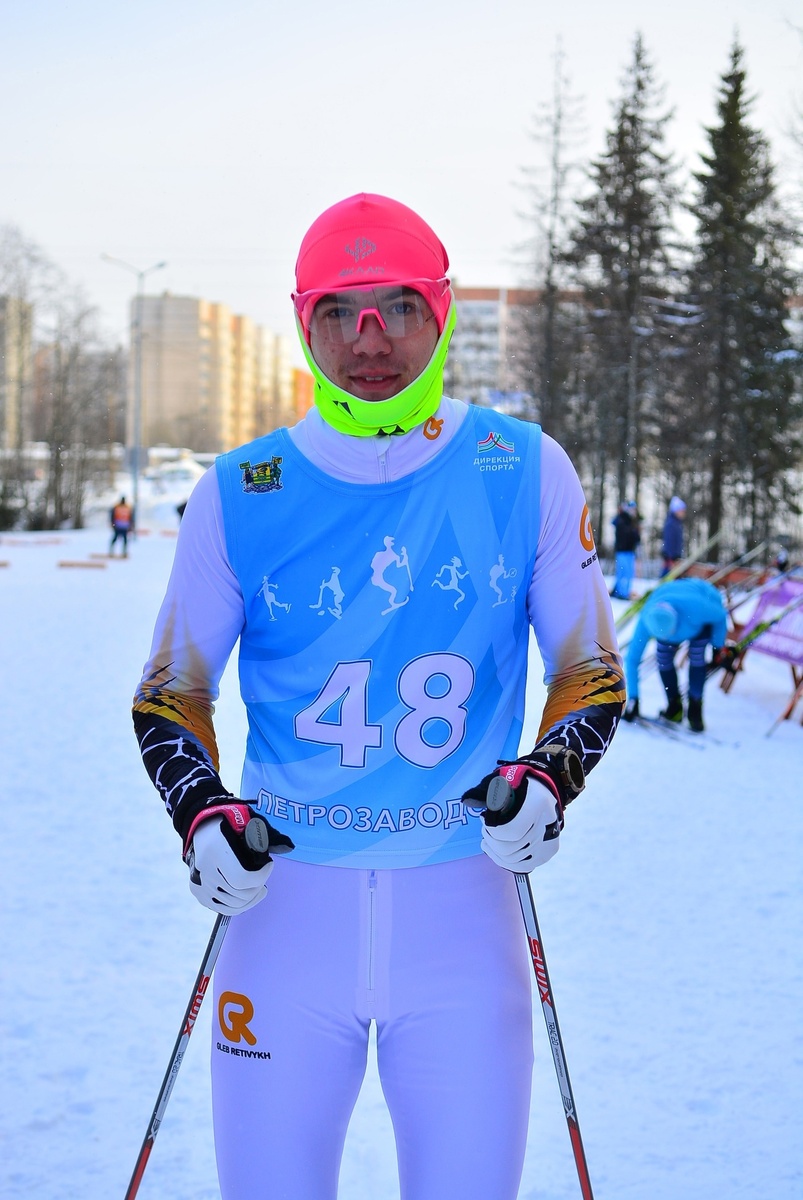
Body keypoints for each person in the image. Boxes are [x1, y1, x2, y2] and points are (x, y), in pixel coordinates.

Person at [132, 193, 626, 1200]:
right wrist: (201, 812)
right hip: (283, 919)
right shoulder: (239, 489)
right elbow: (170, 692)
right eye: (337, 312)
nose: (369, 340)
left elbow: (589, 674)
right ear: (302, 321)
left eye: (397, 305)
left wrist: (546, 777)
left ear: (440, 312)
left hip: (462, 918)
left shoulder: (522, 469)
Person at [621, 577, 731, 732]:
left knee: (696, 655)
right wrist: (633, 699)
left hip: (702, 604)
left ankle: (695, 708)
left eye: (670, 635)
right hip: (675, 607)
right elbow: (632, 660)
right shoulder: (647, 619)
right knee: (663, 656)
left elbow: (720, 616)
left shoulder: (698, 608)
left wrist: (717, 647)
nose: (669, 640)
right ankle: (675, 706)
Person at [610, 500, 640, 599]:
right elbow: (627, 535)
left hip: (629, 551)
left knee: (628, 573)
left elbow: (635, 537)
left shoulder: (631, 521)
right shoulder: (623, 520)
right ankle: (621, 592)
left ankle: (623, 591)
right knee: (623, 572)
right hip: (622, 551)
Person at [661, 495, 686, 575]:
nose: (683, 513)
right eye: (682, 511)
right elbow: (669, 541)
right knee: (667, 577)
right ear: (676, 510)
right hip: (671, 558)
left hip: (674, 557)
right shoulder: (671, 524)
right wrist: (671, 558)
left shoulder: (677, 524)